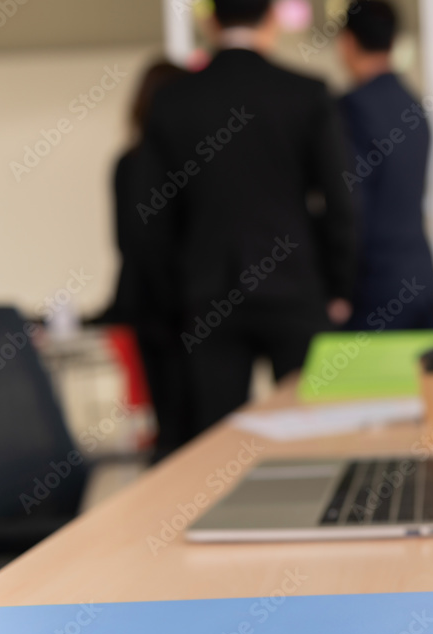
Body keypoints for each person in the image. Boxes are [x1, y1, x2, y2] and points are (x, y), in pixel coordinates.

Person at [137, 0, 356, 437]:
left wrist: (173, 298)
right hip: (295, 288)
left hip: (207, 296)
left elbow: (152, 216)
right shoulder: (306, 93)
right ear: (273, 19)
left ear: (211, 21)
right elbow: (341, 201)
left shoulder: (173, 101)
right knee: (315, 435)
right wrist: (341, 288)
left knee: (214, 447)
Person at [99, 60, 191, 458]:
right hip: (182, 309)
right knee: (195, 426)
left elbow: (125, 241)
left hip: (145, 308)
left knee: (166, 428)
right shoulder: (192, 162)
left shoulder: (127, 163)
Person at [337, 0, 433, 331]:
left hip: (374, 289)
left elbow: (351, 205)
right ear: (394, 41)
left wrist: (337, 288)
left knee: (366, 386)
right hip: (422, 279)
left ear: (347, 43)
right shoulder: (415, 108)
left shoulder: (349, 109)